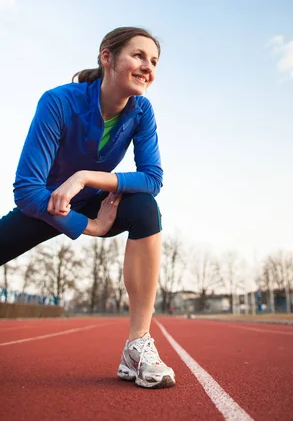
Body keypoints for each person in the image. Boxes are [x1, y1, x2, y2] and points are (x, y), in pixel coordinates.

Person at [0, 26, 175, 389]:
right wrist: (89, 226)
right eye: (139, 56)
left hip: (94, 200)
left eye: (154, 61)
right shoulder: (59, 101)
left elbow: (152, 178)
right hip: (43, 205)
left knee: (144, 208)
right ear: (107, 58)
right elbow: (26, 189)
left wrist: (85, 177)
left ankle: (137, 345)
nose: (148, 67)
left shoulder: (141, 112)